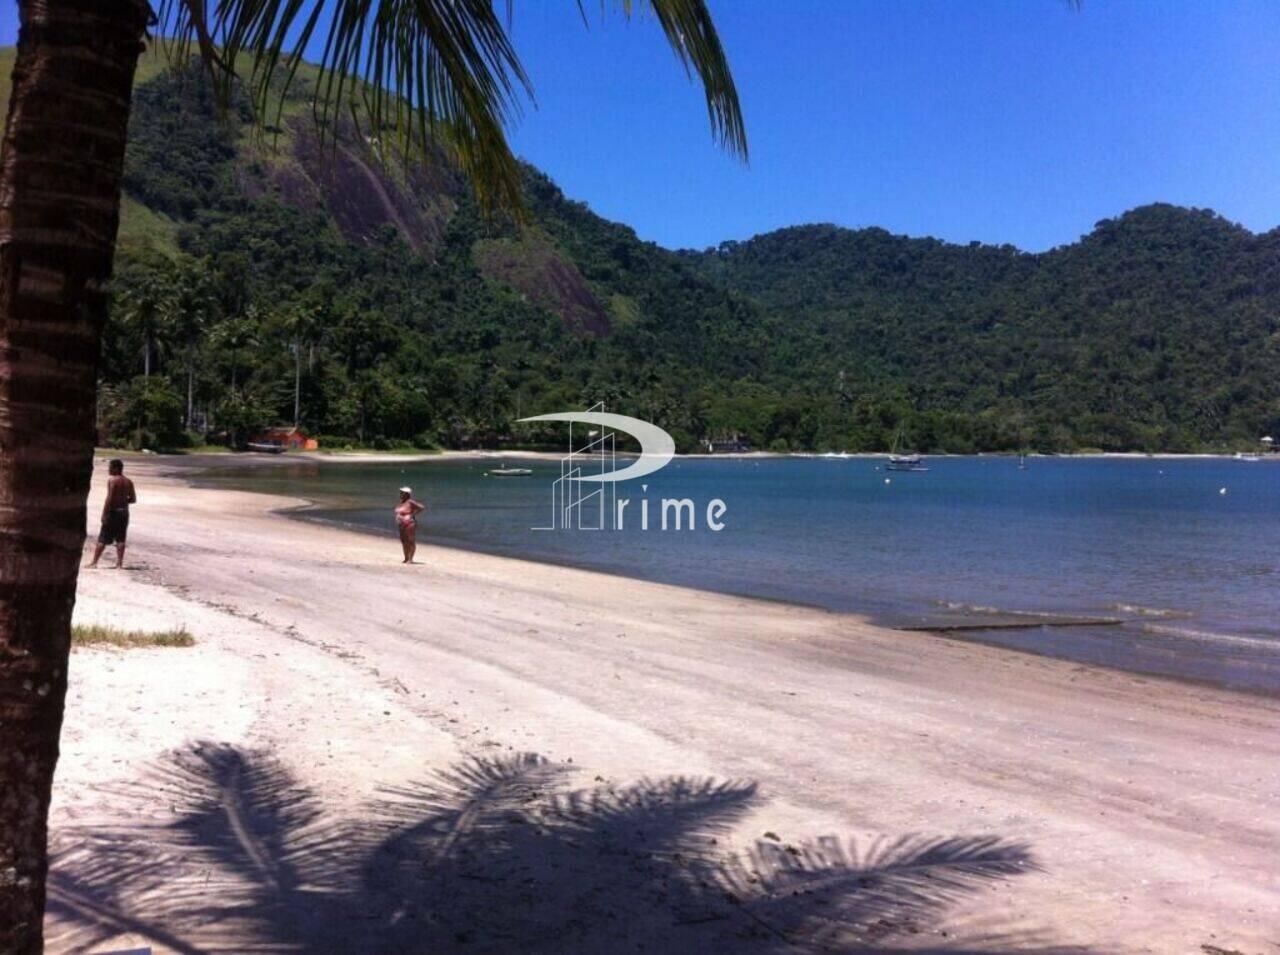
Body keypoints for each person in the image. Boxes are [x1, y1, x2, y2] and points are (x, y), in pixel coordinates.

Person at [88, 458, 137, 569]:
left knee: (103, 537)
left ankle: (94, 562)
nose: (108, 469)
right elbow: (133, 499)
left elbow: (109, 498)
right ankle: (119, 564)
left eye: (110, 467)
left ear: (116, 468)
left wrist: (104, 513)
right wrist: (123, 501)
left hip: (113, 512)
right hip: (124, 512)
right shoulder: (129, 481)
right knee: (121, 538)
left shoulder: (112, 480)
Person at [394, 486, 425, 564]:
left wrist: (411, 515)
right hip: (401, 524)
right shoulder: (402, 502)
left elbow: (421, 507)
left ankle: (410, 559)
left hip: (409, 523)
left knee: (410, 541)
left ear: (407, 494)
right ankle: (406, 558)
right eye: (400, 492)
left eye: (402, 493)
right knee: (404, 541)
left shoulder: (410, 502)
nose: (400, 494)